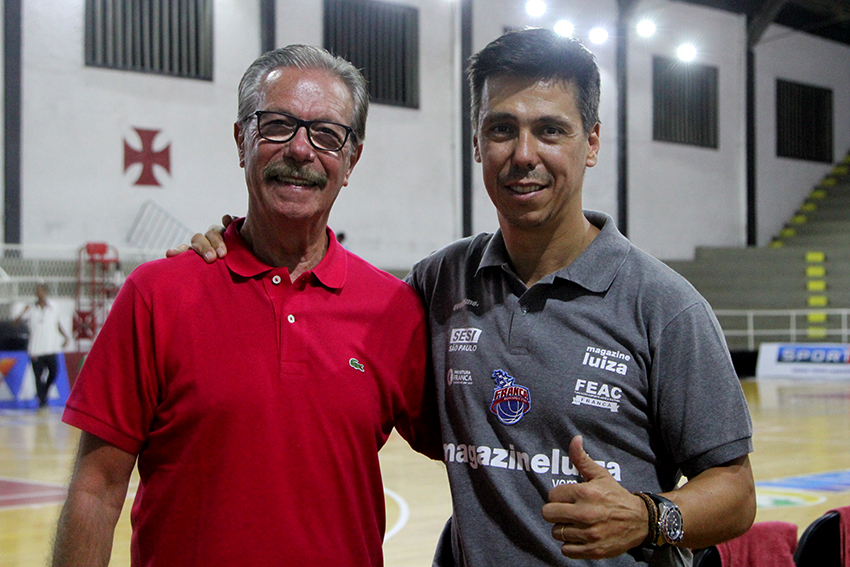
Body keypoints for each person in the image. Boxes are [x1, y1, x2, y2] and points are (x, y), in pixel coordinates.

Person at [185, 29, 755, 566]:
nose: (523, 154)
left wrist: (650, 517)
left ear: (592, 143)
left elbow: (736, 492)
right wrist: (240, 246)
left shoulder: (665, 307)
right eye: (502, 129)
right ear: (478, 144)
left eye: (550, 130)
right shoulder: (439, 283)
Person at [52, 45, 441, 567]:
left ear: (351, 160)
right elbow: (95, 491)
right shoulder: (156, 295)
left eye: (327, 135)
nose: (300, 150)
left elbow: (481, 452)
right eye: (277, 125)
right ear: (242, 140)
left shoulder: (394, 310)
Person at [15, 283, 69, 408]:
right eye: (37, 291)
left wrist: (66, 337)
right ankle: (42, 402)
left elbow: (58, 324)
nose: (39, 293)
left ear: (45, 293)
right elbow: (16, 322)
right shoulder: (31, 308)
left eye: (41, 291)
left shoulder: (53, 307)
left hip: (50, 348)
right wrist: (23, 312)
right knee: (38, 377)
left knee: (54, 372)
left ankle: (43, 392)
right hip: (36, 349)